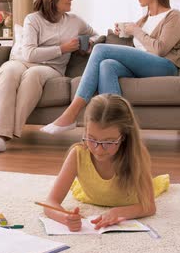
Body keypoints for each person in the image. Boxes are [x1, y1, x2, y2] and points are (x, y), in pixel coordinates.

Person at [41, 0, 180, 134]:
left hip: (164, 66)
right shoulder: (144, 19)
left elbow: (160, 49)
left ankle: (71, 113)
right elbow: (138, 45)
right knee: (106, 65)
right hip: (142, 66)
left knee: (100, 49)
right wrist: (123, 32)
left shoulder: (173, 16)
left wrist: (136, 30)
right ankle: (115, 127)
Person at [0, 0, 98, 155]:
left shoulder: (75, 21)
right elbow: (29, 54)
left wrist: (87, 44)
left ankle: (1, 137)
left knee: (33, 75)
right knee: (8, 70)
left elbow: (96, 34)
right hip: (24, 61)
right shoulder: (33, 19)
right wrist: (62, 48)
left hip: (52, 67)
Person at [41, 94, 169, 231]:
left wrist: (118, 212)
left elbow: (149, 206)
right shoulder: (78, 154)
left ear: (124, 136)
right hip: (89, 195)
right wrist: (65, 218)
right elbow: (50, 203)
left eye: (109, 142)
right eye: (91, 139)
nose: (99, 150)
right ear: (85, 130)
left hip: (131, 200)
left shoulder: (136, 155)